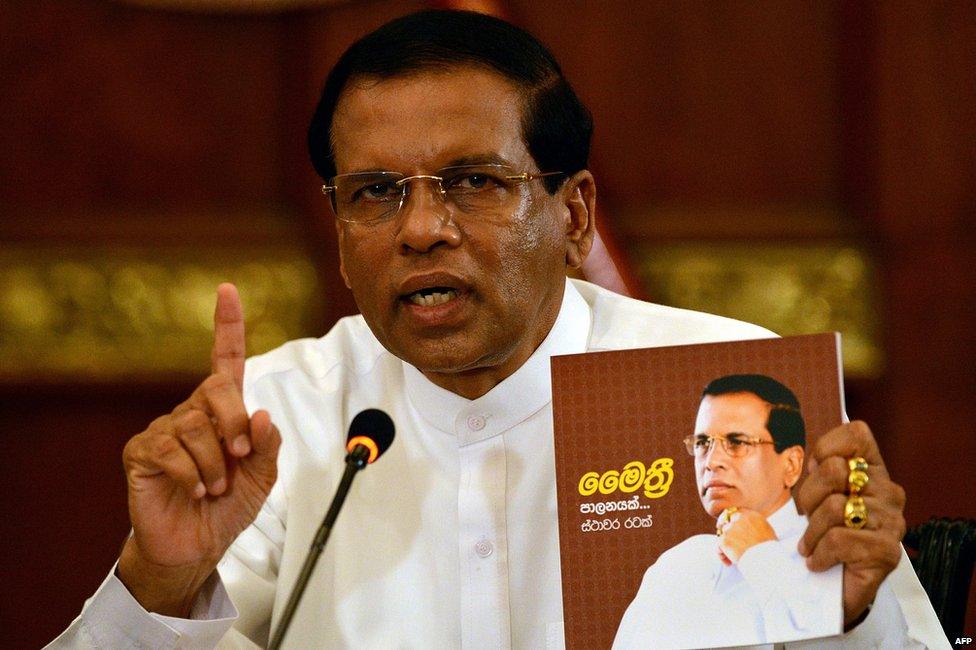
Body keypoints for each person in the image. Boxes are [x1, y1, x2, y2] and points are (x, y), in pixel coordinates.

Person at [50, 10, 947, 649]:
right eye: (374, 193)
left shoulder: (739, 392)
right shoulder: (273, 421)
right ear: (339, 234)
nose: (420, 229)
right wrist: (157, 582)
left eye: (474, 182)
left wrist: (858, 613)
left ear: (575, 216)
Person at [614, 375, 840, 648]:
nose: (711, 461)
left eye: (736, 442)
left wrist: (761, 557)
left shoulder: (839, 552)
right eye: (702, 443)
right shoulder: (674, 568)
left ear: (791, 464)